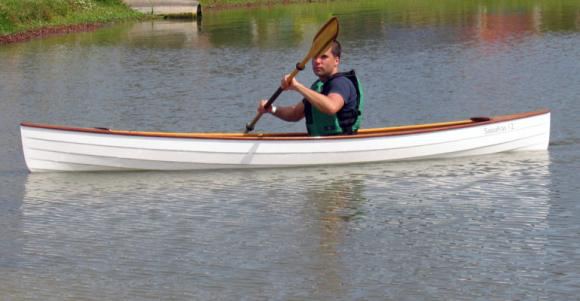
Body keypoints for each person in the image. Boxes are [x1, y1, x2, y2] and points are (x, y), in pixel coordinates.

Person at [257, 40, 364, 136]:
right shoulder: (318, 87)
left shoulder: (341, 83)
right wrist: (272, 109)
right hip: (321, 143)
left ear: (336, 61)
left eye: (324, 57)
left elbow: (331, 107)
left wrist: (297, 86)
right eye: (315, 56)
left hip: (340, 141)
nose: (317, 61)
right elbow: (295, 114)